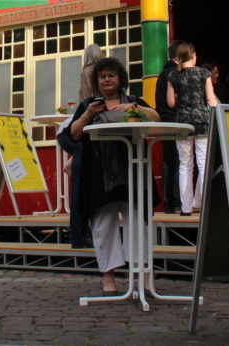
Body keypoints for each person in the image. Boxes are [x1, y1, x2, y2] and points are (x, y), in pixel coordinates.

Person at [60, 57, 161, 295]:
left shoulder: (134, 101)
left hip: (132, 169)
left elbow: (157, 118)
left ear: (121, 79)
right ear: (96, 81)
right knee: (103, 225)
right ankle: (109, 280)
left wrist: (137, 110)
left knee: (138, 224)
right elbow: (72, 135)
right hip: (99, 174)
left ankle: (144, 279)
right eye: (102, 76)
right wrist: (87, 116)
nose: (107, 80)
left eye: (111, 75)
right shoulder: (88, 104)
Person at [167, 42, 219, 216]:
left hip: (182, 121)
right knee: (203, 164)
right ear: (194, 55)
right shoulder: (204, 73)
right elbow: (211, 100)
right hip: (202, 119)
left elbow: (171, 103)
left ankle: (186, 208)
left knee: (185, 165)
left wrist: (177, 95)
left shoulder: (174, 76)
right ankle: (207, 205)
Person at [63, 44, 106, 249]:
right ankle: (83, 235)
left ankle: (79, 235)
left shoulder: (86, 72)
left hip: (86, 127)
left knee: (80, 187)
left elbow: (84, 100)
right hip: (98, 129)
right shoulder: (102, 74)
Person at [153, 39, 184, 218]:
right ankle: (176, 202)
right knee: (178, 163)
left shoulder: (163, 73)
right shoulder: (175, 73)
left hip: (164, 120)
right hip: (176, 120)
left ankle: (169, 204)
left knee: (170, 162)